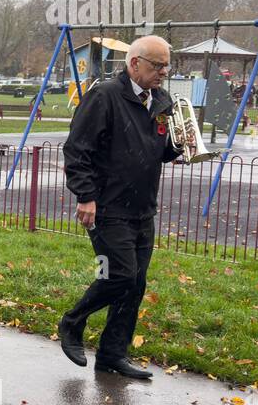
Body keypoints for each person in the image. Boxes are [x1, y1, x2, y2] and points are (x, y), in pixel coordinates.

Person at [58, 35, 186, 380]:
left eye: (166, 66)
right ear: (134, 64)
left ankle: (113, 355)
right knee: (119, 274)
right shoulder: (104, 97)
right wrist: (85, 196)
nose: (163, 72)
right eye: (157, 65)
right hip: (106, 207)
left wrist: (178, 146)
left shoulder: (161, 100)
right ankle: (72, 322)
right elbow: (76, 151)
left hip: (143, 208)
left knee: (136, 283)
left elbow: (158, 149)